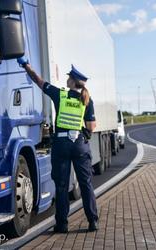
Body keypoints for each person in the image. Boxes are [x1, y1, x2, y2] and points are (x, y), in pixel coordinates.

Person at [17, 57, 99, 233]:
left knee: (61, 186)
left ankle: (62, 225)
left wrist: (26, 66)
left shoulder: (59, 94)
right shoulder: (87, 100)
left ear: (72, 81)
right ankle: (93, 221)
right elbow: (91, 127)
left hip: (61, 145)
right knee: (85, 184)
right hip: (79, 144)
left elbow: (38, 81)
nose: (67, 78)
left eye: (69, 77)